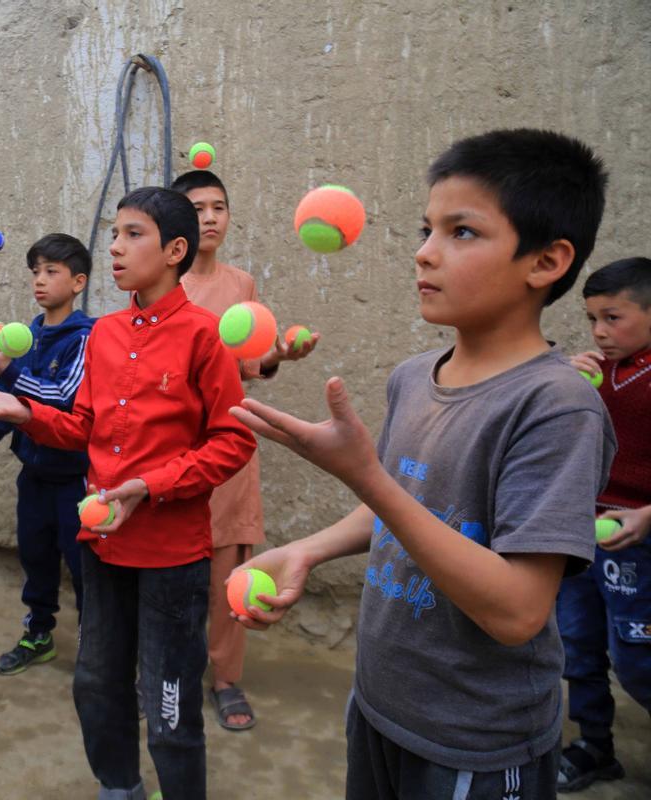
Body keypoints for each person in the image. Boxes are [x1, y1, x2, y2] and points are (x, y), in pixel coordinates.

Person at [229, 129, 613, 799]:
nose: (424, 253)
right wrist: (307, 551)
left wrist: (363, 474)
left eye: (461, 232)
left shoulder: (555, 408)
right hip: (381, 706)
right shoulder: (413, 377)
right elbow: (408, 500)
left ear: (547, 261)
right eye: (425, 228)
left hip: (477, 743)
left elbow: (519, 612)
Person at [0, 187, 257, 800]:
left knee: (169, 707)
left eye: (132, 235)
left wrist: (151, 487)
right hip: (102, 544)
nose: (114, 247)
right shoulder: (108, 333)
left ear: (174, 250)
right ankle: (119, 787)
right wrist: (26, 413)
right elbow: (83, 428)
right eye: (114, 234)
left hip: (172, 555)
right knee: (95, 684)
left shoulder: (203, 336)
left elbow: (233, 440)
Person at [171, 169, 319, 731]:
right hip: (171, 454)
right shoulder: (161, 285)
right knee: (168, 575)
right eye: (197, 207)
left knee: (229, 573)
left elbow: (252, 365)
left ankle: (227, 679)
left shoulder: (242, 284)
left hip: (228, 450)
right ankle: (163, 673)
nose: (210, 217)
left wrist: (279, 353)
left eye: (219, 207)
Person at [0, 233, 94, 675]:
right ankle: (38, 635)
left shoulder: (88, 336)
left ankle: (95, 651)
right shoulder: (25, 337)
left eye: (52, 271)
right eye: (35, 272)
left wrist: (7, 369)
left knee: (87, 571)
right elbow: (8, 404)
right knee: (36, 559)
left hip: (77, 481)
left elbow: (65, 398)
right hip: (33, 476)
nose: (40, 281)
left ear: (79, 281)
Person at [558, 256, 651, 792]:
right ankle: (595, 746)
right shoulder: (596, 371)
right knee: (577, 644)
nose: (599, 331)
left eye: (613, 318)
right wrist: (566, 384)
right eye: (592, 318)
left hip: (636, 544)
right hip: (583, 534)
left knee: (638, 660)